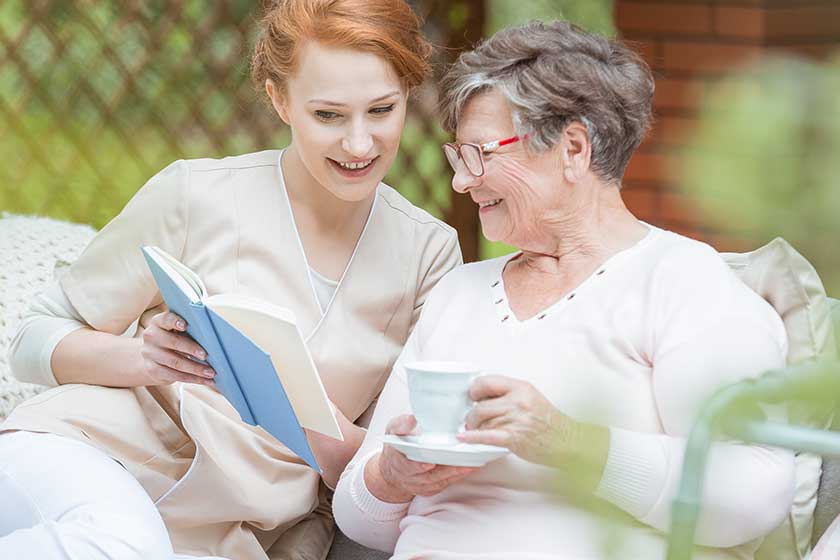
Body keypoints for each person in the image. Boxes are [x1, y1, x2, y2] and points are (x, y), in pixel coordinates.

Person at [0, 1, 461, 559]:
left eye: (381, 110)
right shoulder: (195, 194)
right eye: (329, 115)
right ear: (279, 100)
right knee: (121, 543)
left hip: (229, 533)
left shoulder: (429, 256)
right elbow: (32, 339)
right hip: (89, 452)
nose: (360, 145)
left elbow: (378, 474)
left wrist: (296, 408)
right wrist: (145, 362)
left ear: (409, 94)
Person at [333, 20, 795, 560]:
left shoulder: (683, 283)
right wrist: (393, 476)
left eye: (481, 154)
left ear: (573, 149)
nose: (462, 181)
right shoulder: (459, 293)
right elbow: (359, 518)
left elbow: (754, 492)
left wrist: (570, 443)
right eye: (459, 157)